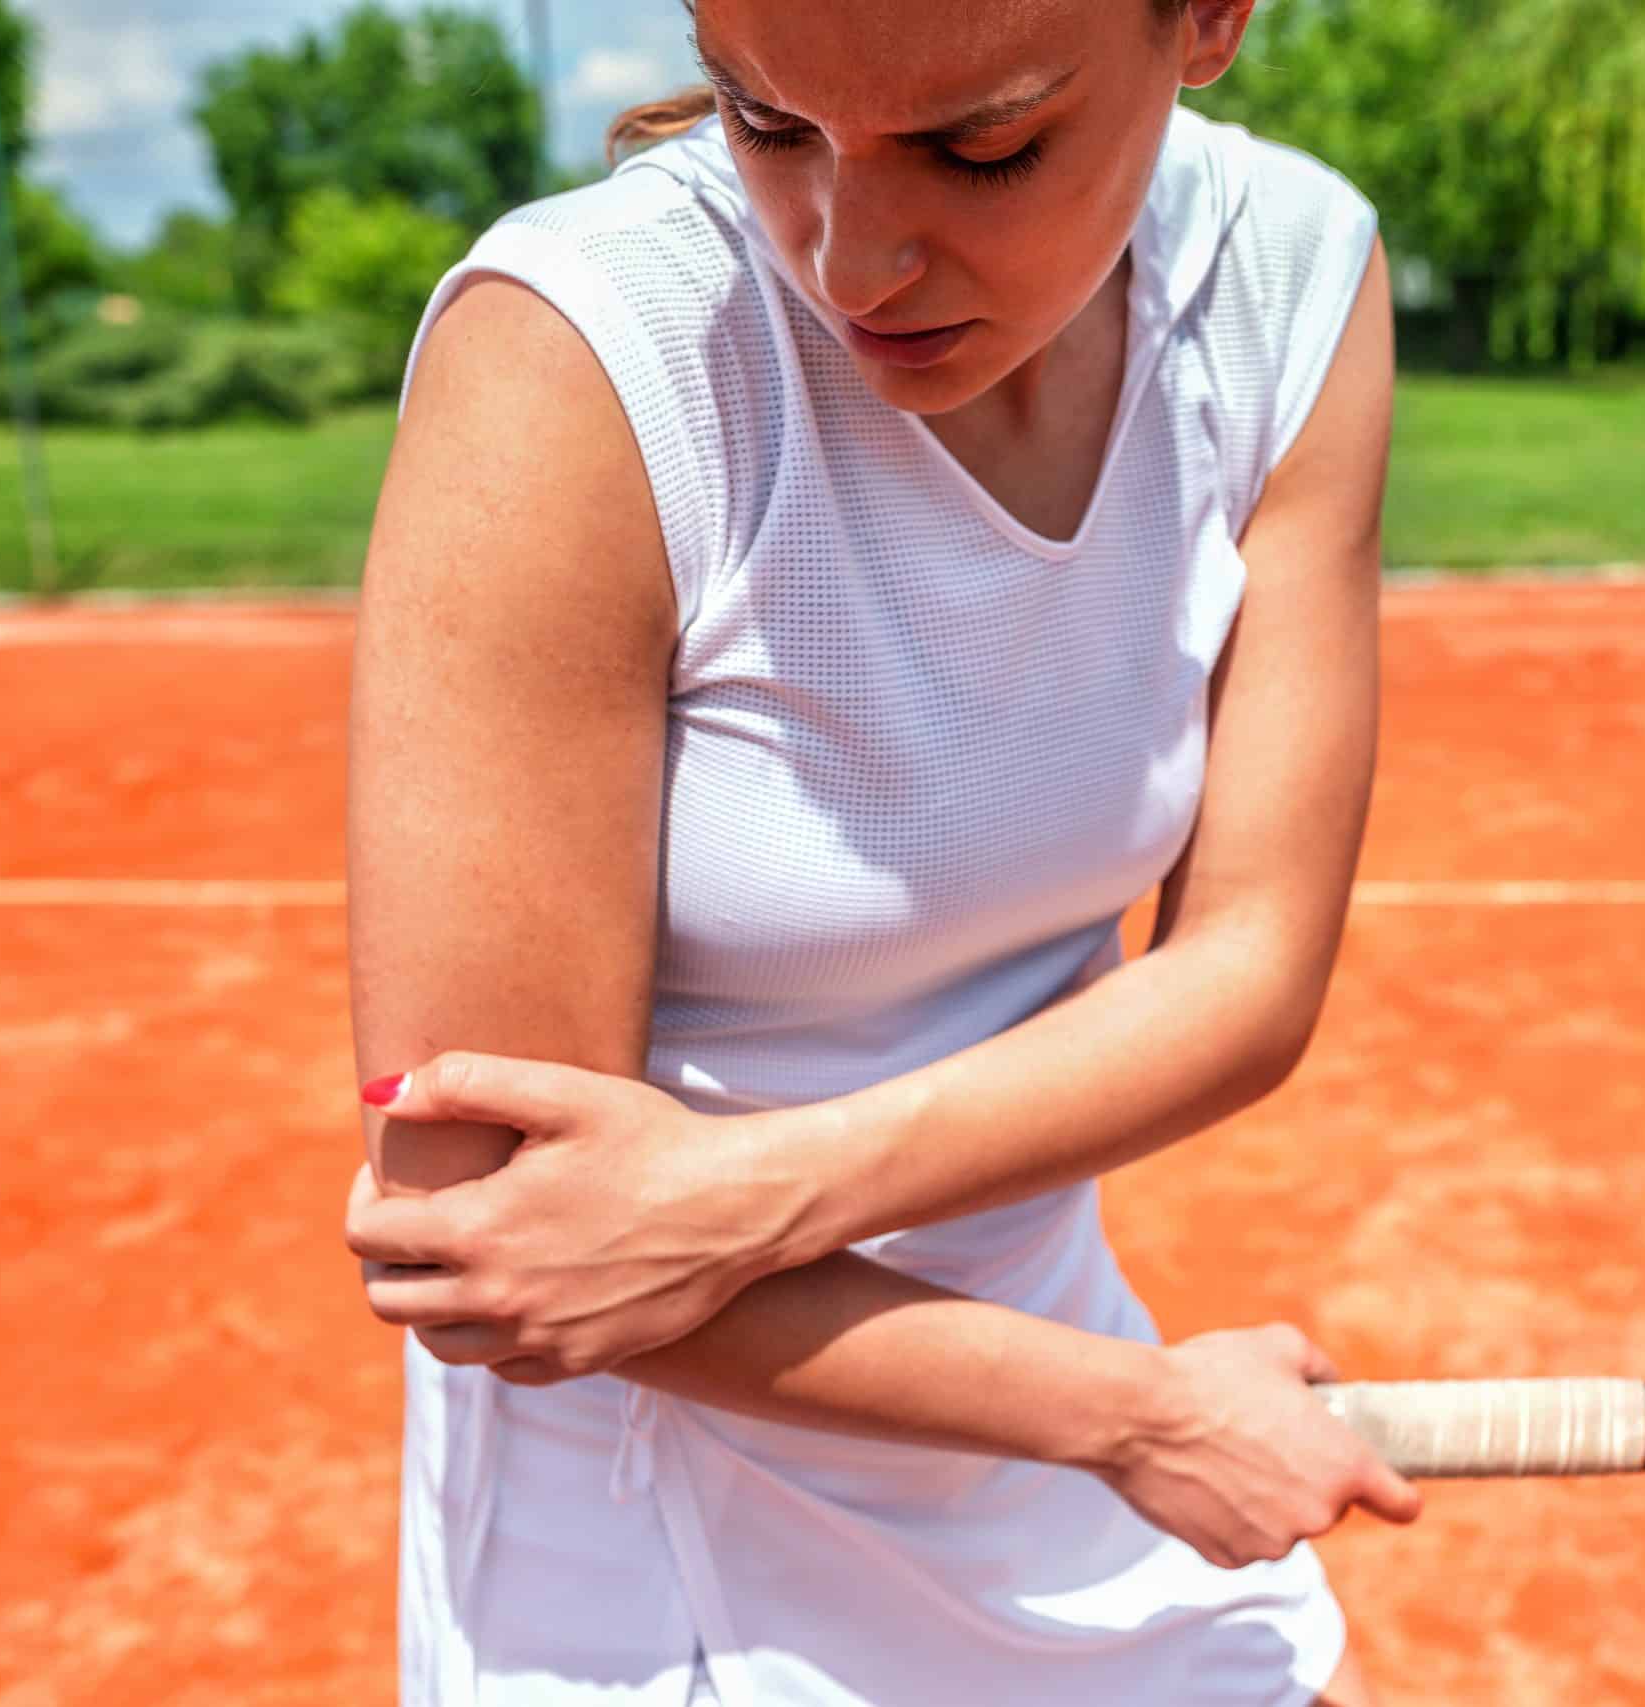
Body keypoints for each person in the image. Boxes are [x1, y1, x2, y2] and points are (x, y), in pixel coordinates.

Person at [340, 0, 1411, 1700]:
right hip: (655, 1518)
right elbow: (502, 1233)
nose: (850, 262)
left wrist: (743, 1194)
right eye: (767, 124)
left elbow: (1250, 968)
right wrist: (1130, 1418)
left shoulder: (1291, 272)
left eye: (982, 146)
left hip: (1039, 1390)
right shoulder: (575, 354)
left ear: (1209, 19)